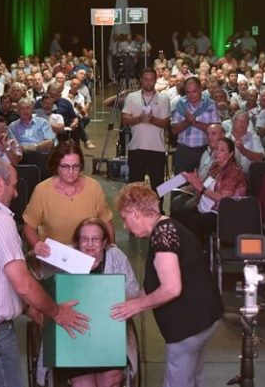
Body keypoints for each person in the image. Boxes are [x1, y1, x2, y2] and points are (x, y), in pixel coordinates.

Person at [0, 158, 89, 387]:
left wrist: (26, 308)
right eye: (13, 186)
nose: (15, 194)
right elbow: (22, 283)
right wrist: (56, 312)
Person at [111, 182, 223, 387]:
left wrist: (137, 306)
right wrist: (128, 303)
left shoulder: (163, 237)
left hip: (188, 324)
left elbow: (171, 288)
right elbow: (153, 285)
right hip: (205, 317)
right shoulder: (168, 227)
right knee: (194, 377)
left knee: (178, 381)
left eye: (125, 219)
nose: (125, 226)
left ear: (135, 213)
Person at [37, 218, 142, 387]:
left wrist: (118, 305)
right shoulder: (65, 256)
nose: (90, 244)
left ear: (105, 242)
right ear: (77, 242)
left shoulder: (115, 256)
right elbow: (36, 273)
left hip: (108, 337)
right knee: (84, 384)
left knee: (111, 379)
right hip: (72, 337)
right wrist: (37, 251)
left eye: (96, 239)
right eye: (84, 239)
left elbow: (133, 292)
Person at [24, 141, 114, 253]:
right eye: (65, 166)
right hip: (53, 254)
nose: (71, 172)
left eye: (76, 166)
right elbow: (29, 226)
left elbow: (106, 222)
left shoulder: (94, 187)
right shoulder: (42, 190)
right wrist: (37, 244)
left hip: (88, 253)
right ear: (56, 166)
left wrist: (111, 250)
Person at [172, 137, 247, 246]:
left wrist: (201, 189)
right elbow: (204, 185)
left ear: (230, 154)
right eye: (216, 149)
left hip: (221, 213)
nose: (217, 152)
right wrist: (194, 182)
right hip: (203, 207)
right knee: (177, 215)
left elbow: (222, 198)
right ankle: (178, 250)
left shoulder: (233, 172)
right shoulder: (215, 167)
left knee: (194, 222)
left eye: (222, 150)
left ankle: (200, 254)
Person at [121, 67, 170, 194]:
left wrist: (152, 119)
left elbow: (165, 123)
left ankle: (159, 211)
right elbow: (125, 119)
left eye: (151, 80)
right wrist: (140, 118)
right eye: (146, 79)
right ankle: (134, 212)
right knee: (134, 186)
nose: (148, 82)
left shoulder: (164, 99)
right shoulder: (132, 97)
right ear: (141, 80)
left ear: (155, 80)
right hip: (136, 148)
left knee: (159, 186)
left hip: (157, 149)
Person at [170, 77, 220, 174]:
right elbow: (174, 130)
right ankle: (164, 189)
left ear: (201, 89)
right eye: (188, 92)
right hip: (183, 151)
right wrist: (187, 121)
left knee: (202, 183)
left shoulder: (211, 105)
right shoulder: (179, 104)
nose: (191, 95)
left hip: (204, 151)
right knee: (176, 184)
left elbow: (216, 130)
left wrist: (195, 122)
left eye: (194, 91)